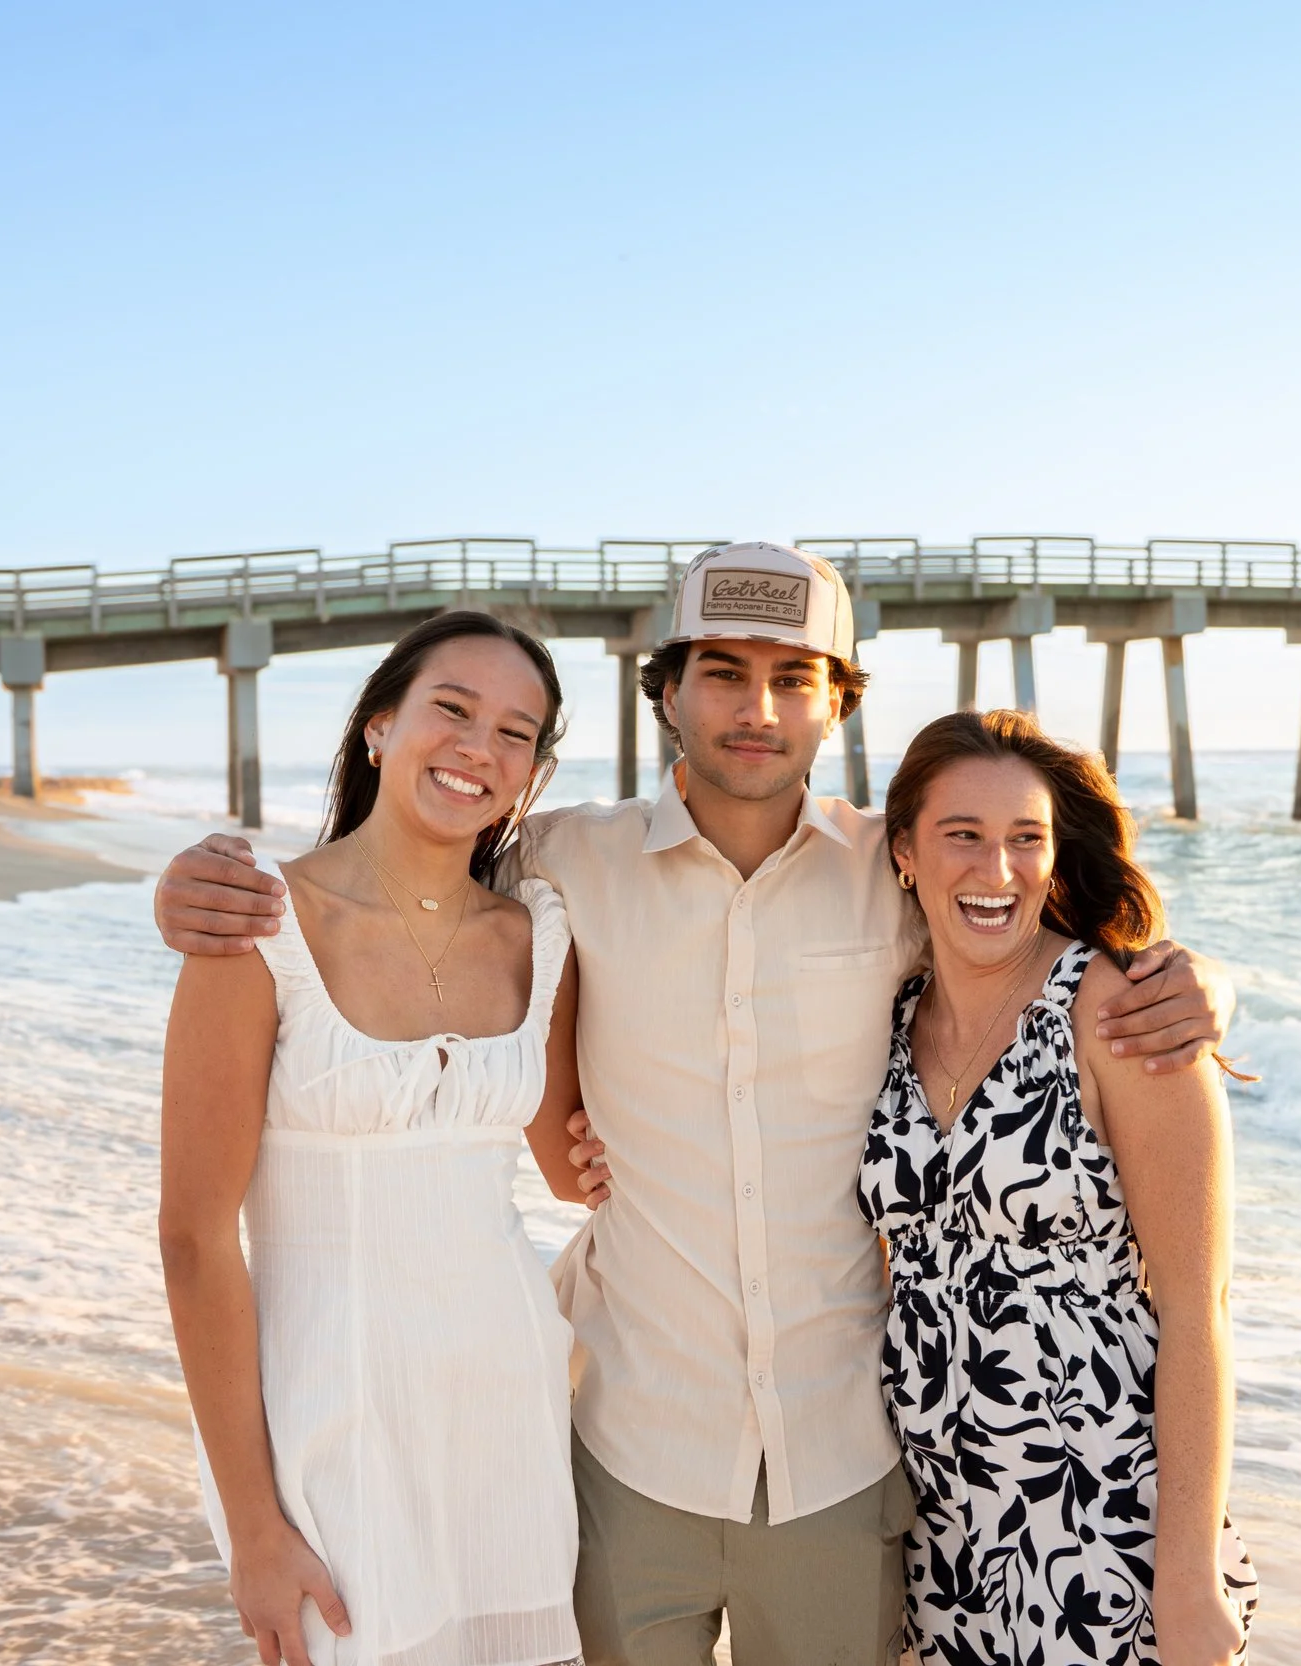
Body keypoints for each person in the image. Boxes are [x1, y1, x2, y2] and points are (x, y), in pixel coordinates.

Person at [155, 544, 1239, 1666]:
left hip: (841, 1464)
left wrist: (1201, 981)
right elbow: (406, 893)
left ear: (837, 706)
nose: (757, 708)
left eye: (795, 678)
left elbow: (1046, 939)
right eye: (722, 671)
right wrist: (190, 889)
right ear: (667, 691)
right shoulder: (563, 864)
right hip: (626, 1455)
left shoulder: (904, 868)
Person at [158, 611, 588, 1666]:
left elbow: (574, 1172)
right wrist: (254, 1526)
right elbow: (194, 1243)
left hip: (509, 1417)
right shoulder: (261, 927)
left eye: (517, 731)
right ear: (379, 729)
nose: (479, 747)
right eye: (452, 709)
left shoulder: (538, 932)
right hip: (330, 1424)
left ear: (532, 769)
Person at [861, 709, 1257, 1666]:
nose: (995, 871)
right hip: (940, 1526)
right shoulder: (891, 1010)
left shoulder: (1123, 1015)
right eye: (962, 835)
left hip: (1100, 1522)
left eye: (1024, 839)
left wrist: (1188, 1571)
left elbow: (1196, 1312)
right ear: (905, 852)